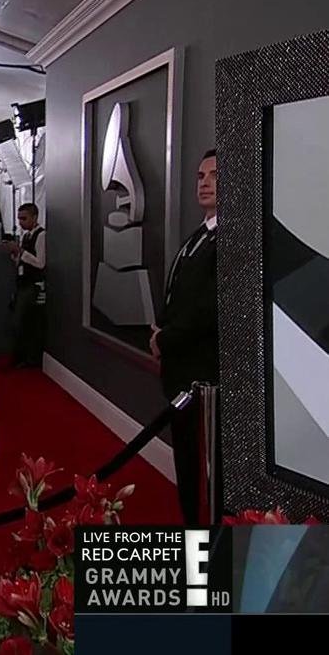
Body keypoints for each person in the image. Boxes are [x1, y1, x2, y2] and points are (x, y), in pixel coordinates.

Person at [152, 148, 218, 525]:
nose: (205, 183)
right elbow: (177, 294)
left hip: (203, 376)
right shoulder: (198, 236)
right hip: (180, 374)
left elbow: (208, 310)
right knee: (186, 465)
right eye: (200, 176)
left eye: (215, 176)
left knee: (205, 472)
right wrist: (160, 330)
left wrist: (164, 340)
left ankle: (205, 542)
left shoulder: (228, 239)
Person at [5, 203, 47, 368]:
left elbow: (41, 263)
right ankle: (21, 356)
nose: (21, 222)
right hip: (22, 282)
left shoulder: (41, 236)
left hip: (33, 285)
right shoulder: (25, 235)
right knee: (20, 321)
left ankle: (28, 358)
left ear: (35, 217)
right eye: (19, 219)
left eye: (24, 218)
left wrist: (21, 252)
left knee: (24, 321)